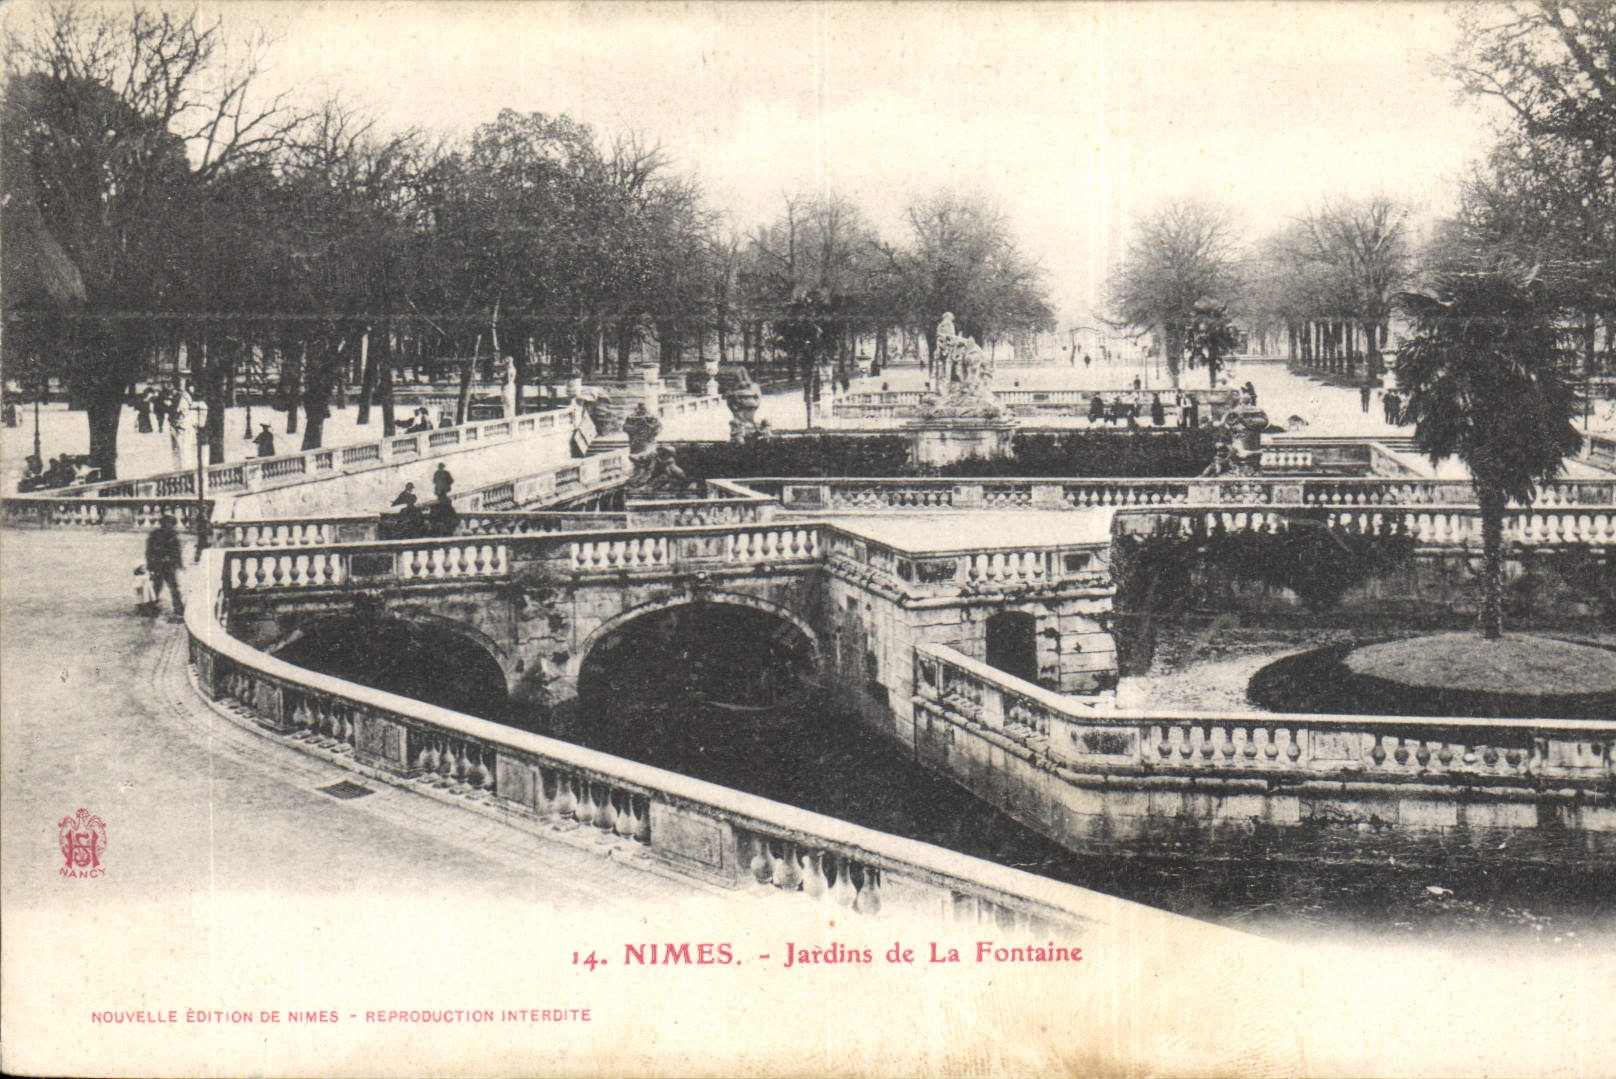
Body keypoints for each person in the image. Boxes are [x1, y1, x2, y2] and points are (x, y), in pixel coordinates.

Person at [144, 514, 185, 618]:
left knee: (173, 587)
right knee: (157, 586)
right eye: (167, 523)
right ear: (162, 524)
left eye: (171, 524)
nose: (169, 526)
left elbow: (176, 551)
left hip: (169, 565)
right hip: (158, 564)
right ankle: (151, 607)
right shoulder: (155, 535)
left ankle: (178, 608)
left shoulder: (173, 535)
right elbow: (149, 551)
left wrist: (178, 563)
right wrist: (151, 564)